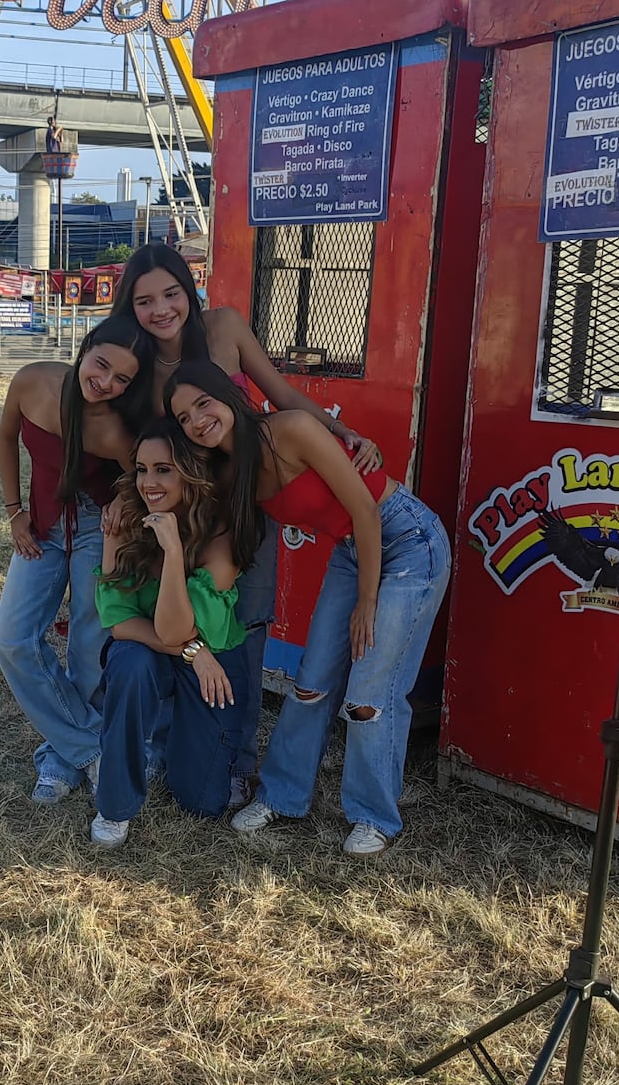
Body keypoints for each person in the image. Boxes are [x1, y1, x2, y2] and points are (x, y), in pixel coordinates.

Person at [110, 242, 382, 801]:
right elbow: (119, 431)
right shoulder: (133, 356)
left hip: (245, 509)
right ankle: (169, 747)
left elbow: (282, 394)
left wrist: (342, 433)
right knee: (168, 619)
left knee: (245, 628)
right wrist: (122, 496)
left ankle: (235, 757)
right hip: (177, 515)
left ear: (189, 288)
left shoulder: (226, 327)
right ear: (129, 306)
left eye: (171, 293)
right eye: (144, 300)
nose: (161, 309)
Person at [167, 362, 451, 854]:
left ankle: (373, 816)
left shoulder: (291, 429)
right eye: (184, 417)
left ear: (227, 396)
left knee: (369, 691)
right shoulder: (230, 473)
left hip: (405, 540)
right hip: (350, 550)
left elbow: (365, 509)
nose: (197, 420)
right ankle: (281, 795)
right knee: (310, 683)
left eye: (203, 404)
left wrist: (367, 601)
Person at [0, 316, 154, 802]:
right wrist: (13, 511)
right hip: (40, 524)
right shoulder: (31, 380)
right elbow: (5, 438)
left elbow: (137, 478)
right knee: (11, 638)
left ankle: (62, 760)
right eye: (101, 365)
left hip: (94, 530)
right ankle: (90, 747)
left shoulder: (113, 427)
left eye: (122, 379)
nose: (106, 383)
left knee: (88, 648)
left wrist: (125, 499)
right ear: (84, 350)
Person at [91, 419, 249, 848]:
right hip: (177, 653)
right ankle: (115, 804)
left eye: (164, 469)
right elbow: (120, 621)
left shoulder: (220, 534)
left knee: (203, 802)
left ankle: (177, 753)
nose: (149, 482)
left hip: (214, 660)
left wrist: (174, 550)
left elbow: (178, 626)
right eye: (142, 469)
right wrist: (193, 650)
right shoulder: (124, 518)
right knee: (129, 662)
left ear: (191, 471)